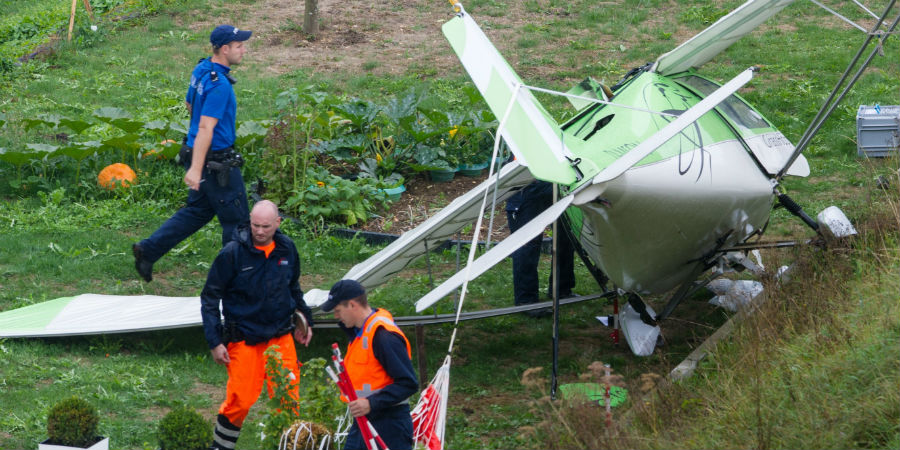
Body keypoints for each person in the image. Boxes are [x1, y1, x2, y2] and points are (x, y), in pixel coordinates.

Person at [132, 24, 253, 282]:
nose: (244, 50)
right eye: (239, 46)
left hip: (196, 152)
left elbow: (190, 103)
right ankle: (237, 280)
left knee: (196, 212)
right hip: (217, 163)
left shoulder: (202, 69)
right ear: (224, 49)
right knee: (238, 222)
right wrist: (197, 169)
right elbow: (206, 127)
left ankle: (148, 250)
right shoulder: (219, 85)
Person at [200, 200, 314, 450]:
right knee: (239, 400)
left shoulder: (287, 249)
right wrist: (215, 341)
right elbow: (210, 297)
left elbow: (294, 288)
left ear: (277, 223)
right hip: (244, 338)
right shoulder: (232, 253)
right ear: (249, 221)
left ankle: (283, 446)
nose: (259, 231)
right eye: (255, 225)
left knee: (288, 400)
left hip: (280, 337)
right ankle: (220, 447)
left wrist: (305, 320)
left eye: (265, 226)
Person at [320, 279, 418, 450]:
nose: (336, 316)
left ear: (352, 305)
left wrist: (370, 403)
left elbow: (408, 384)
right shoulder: (360, 332)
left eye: (337, 311)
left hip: (389, 424)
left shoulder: (383, 336)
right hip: (365, 419)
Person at [506, 180, 576, 316]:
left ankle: (561, 289)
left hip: (556, 181)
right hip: (527, 185)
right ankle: (526, 301)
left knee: (566, 236)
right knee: (527, 244)